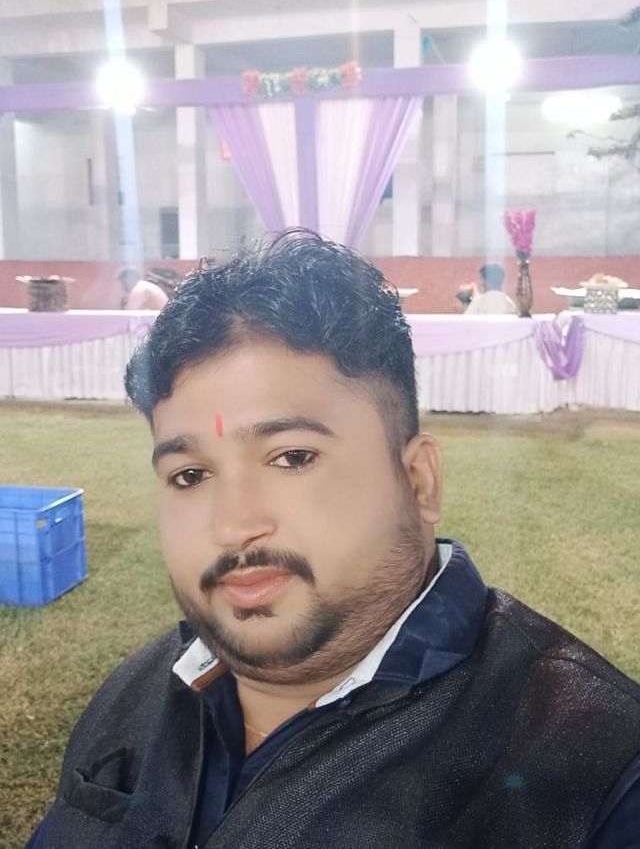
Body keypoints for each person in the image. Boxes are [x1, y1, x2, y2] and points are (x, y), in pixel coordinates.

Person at [26, 230, 639, 849]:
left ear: (419, 481)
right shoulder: (140, 687)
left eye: (292, 457)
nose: (231, 525)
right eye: (190, 475)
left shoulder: (595, 771)